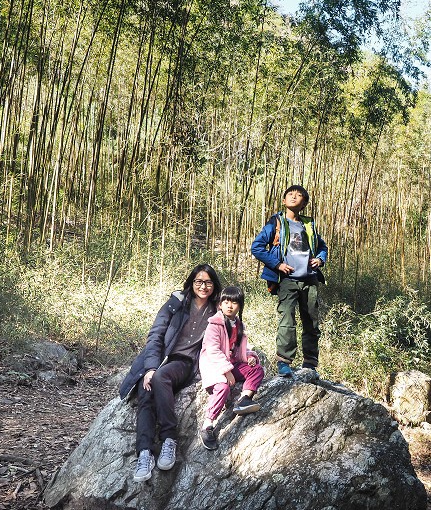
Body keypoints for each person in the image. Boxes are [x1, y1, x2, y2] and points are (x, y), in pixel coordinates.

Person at [118, 263, 222, 483]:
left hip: (184, 363)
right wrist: (150, 367)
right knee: (146, 392)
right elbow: (155, 335)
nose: (203, 286)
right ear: (192, 282)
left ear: (214, 284)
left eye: (208, 282)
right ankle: (144, 453)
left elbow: (231, 335)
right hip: (160, 358)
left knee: (160, 378)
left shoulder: (217, 310)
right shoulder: (176, 303)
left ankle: (169, 439)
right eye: (199, 281)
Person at [251, 185, 328, 377]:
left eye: (299, 195)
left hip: (309, 279)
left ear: (304, 204)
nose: (294, 197)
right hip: (287, 279)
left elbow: (322, 247)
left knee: (311, 321)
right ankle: (284, 362)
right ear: (284, 201)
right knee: (287, 320)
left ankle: (310, 363)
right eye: (290, 194)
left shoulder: (308, 225)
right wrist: (277, 265)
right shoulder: (275, 223)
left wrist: (320, 259)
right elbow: (257, 247)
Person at [198, 286, 265, 450]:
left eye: (234, 302)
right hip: (213, 365)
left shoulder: (238, 324)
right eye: (226, 301)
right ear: (220, 304)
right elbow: (213, 350)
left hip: (230, 362)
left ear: (240, 306)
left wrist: (248, 357)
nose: (229, 305)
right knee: (223, 388)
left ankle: (244, 399)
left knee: (257, 369)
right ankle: (208, 425)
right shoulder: (214, 324)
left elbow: (239, 349)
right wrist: (227, 372)